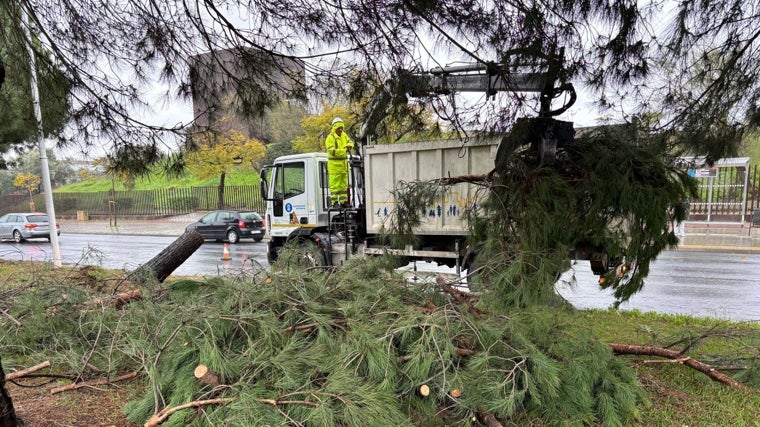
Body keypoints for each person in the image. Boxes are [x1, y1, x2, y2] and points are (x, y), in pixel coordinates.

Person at [325, 117, 354, 207]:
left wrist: (349, 146)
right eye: (339, 128)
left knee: (343, 186)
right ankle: (335, 202)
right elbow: (332, 152)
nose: (341, 129)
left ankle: (343, 202)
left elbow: (350, 142)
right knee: (335, 186)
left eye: (342, 127)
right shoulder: (330, 138)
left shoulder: (344, 135)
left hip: (343, 167)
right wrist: (344, 150)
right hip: (334, 167)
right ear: (334, 128)